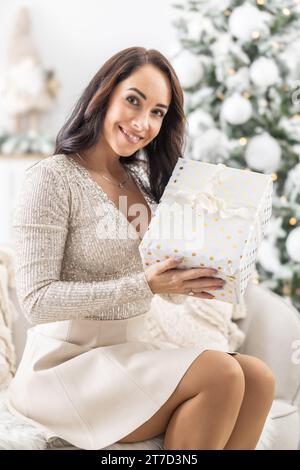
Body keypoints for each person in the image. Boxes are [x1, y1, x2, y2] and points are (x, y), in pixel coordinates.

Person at [6, 47, 275, 450]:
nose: (142, 122)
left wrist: (191, 279)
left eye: (157, 112)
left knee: (258, 377)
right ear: (104, 94)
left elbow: (156, 283)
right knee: (221, 372)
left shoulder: (144, 183)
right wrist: (146, 286)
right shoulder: (52, 178)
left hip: (124, 356)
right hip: (62, 371)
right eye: (134, 100)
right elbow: (37, 301)